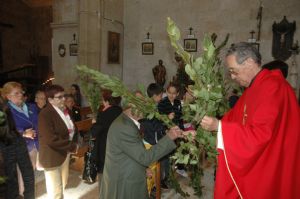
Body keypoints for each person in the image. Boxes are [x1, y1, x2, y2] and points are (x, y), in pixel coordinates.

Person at [200, 42, 300, 198]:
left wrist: (219, 126)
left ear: (249, 63)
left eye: (233, 71)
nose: (232, 77)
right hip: (262, 159)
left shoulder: (272, 86)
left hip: (269, 162)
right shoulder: (253, 88)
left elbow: (261, 134)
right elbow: (232, 119)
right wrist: (205, 131)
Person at [99, 102, 183, 199]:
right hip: (123, 181)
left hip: (127, 172)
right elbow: (145, 157)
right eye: (142, 106)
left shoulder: (127, 122)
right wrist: (169, 137)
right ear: (131, 107)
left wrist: (143, 167)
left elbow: (133, 151)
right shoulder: (124, 127)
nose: (146, 109)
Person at [38, 85, 78, 199]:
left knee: (63, 185)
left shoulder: (64, 110)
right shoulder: (45, 114)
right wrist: (72, 146)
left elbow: (70, 128)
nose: (63, 99)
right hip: (52, 155)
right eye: (59, 97)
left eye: (64, 96)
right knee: (56, 191)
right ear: (50, 100)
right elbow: (50, 139)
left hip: (63, 152)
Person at [2, 81, 39, 196]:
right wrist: (23, 133)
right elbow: (5, 129)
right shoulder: (5, 109)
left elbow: (38, 123)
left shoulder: (31, 106)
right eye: (16, 93)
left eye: (21, 92)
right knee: (19, 175)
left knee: (30, 173)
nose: (20, 95)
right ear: (8, 96)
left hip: (34, 144)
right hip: (16, 146)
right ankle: (21, 194)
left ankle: (27, 195)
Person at [89, 89, 122, 181]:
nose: (102, 102)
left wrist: (94, 123)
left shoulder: (104, 114)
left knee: (105, 178)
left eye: (102, 100)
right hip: (118, 148)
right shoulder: (120, 111)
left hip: (105, 149)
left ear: (107, 101)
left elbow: (94, 133)